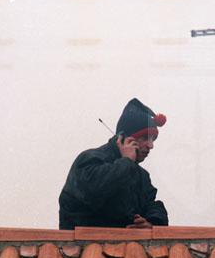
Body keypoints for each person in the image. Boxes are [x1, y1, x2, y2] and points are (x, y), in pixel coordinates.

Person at [59, 98, 169, 230]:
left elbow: (152, 205)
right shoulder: (89, 159)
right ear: (126, 139)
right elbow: (94, 192)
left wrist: (151, 223)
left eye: (153, 139)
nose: (151, 145)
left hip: (126, 243)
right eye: (145, 138)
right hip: (82, 242)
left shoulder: (142, 176)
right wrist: (126, 162)